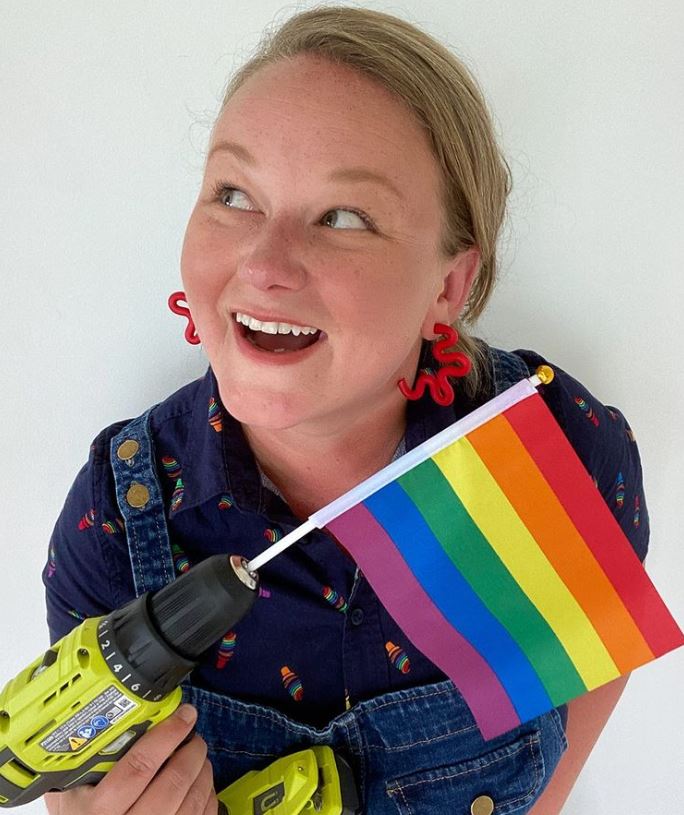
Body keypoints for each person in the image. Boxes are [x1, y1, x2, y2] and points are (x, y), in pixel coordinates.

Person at [42, 6, 649, 814]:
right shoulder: (119, 521)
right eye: (234, 193)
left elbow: (591, 677)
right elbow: (77, 786)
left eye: (344, 217)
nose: (263, 264)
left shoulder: (561, 453)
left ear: (449, 286)